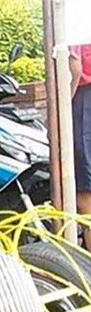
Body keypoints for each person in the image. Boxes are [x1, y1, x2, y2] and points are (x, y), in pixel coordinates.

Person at [71, 44, 91, 248]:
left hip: (84, 98)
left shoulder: (74, 22)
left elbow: (75, 68)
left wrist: (62, 102)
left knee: (85, 191)